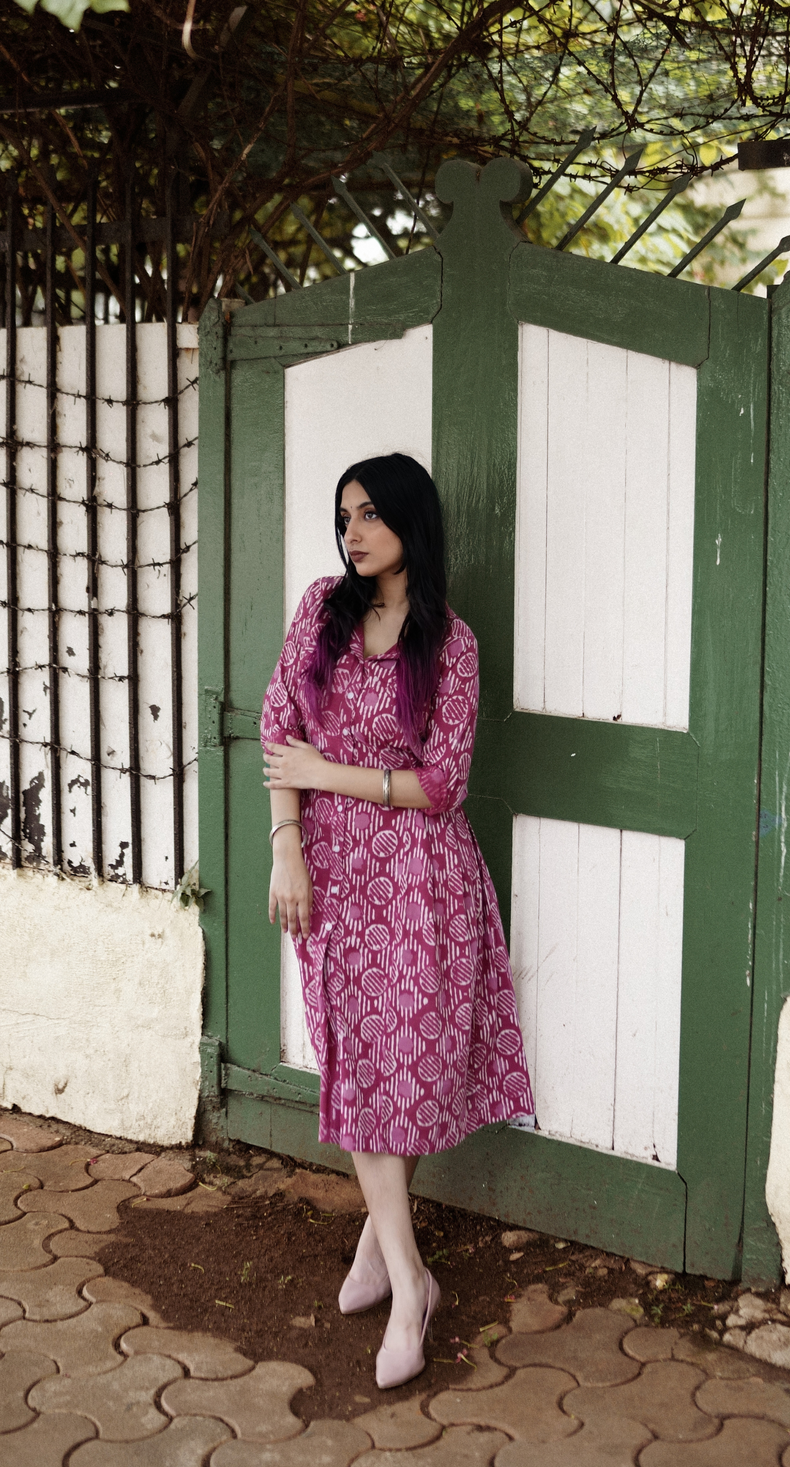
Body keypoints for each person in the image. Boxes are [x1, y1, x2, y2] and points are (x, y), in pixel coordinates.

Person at [261, 452, 534, 1390]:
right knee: (358, 1058)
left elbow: (442, 783)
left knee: (402, 1062)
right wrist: (285, 841)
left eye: (372, 514)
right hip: (330, 873)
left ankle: (393, 1263)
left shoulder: (449, 643)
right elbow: (275, 726)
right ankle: (407, 1270)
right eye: (345, 516)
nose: (354, 532)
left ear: (411, 521)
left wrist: (324, 775)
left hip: (421, 880)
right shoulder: (319, 612)